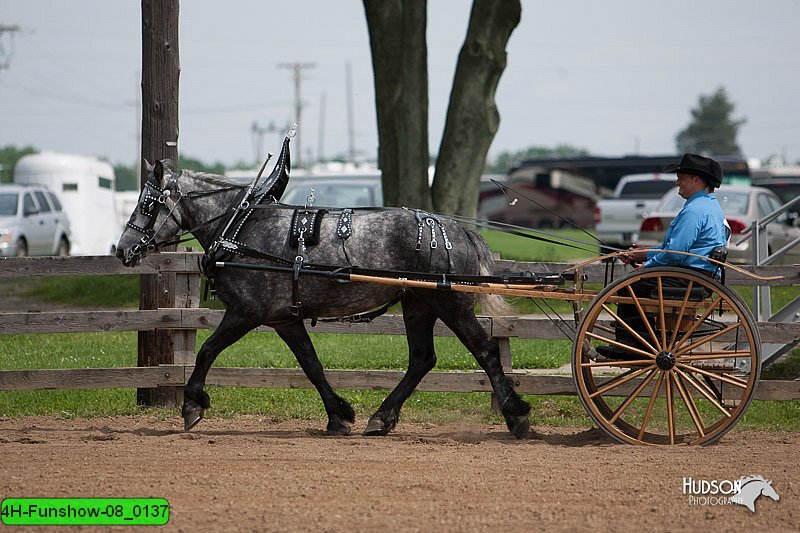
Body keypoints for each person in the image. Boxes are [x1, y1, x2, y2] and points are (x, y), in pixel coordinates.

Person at [597, 153, 728, 359]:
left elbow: (676, 254)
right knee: (637, 284)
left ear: (697, 180)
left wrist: (648, 266)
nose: (677, 182)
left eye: (682, 177)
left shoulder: (695, 211)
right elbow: (673, 247)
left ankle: (632, 345)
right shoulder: (708, 206)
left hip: (686, 276)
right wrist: (643, 254)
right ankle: (642, 340)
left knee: (629, 288)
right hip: (697, 274)